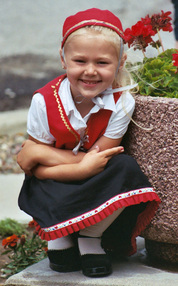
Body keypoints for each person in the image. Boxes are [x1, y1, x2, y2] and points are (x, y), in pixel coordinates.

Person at [17, 8, 161, 278]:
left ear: (120, 63)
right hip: (53, 181)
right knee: (41, 183)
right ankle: (58, 236)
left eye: (103, 63)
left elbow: (100, 160)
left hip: (95, 178)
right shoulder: (44, 101)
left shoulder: (122, 102)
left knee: (123, 167)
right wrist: (72, 165)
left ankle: (90, 237)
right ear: (63, 59)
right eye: (80, 61)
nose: (91, 71)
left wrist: (43, 153)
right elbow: (31, 168)